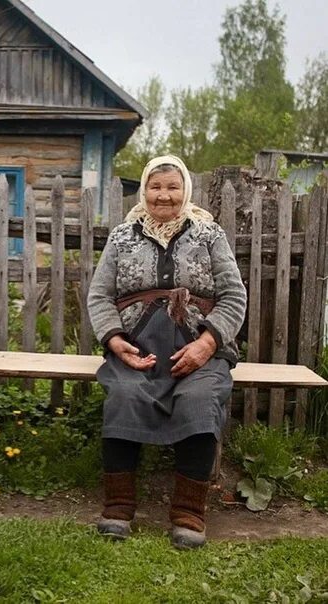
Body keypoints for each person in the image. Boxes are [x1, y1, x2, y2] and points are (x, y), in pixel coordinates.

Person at [87, 155, 246, 549]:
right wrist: (114, 340)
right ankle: (119, 506)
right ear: (144, 190)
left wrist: (208, 343)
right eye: (155, 187)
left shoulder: (209, 234)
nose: (164, 195)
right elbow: (100, 296)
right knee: (124, 395)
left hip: (199, 348)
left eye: (172, 187)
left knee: (198, 397)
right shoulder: (122, 236)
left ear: (185, 190)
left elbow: (233, 295)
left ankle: (189, 512)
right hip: (137, 348)